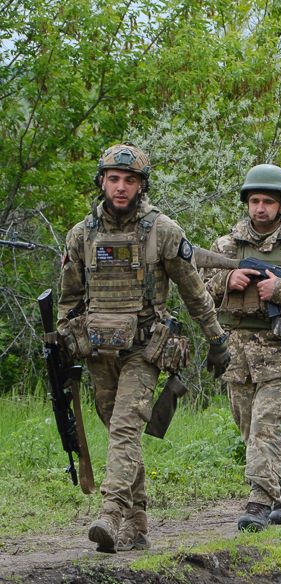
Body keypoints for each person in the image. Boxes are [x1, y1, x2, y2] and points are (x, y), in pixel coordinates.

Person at [58, 143, 229, 553]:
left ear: (141, 185)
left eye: (129, 180)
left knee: (124, 428)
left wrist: (217, 339)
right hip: (99, 351)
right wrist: (65, 336)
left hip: (144, 349)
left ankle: (112, 513)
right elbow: (69, 297)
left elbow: (193, 292)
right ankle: (138, 521)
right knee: (118, 430)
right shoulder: (81, 235)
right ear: (101, 181)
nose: (120, 187)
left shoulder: (162, 231)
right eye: (113, 179)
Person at [204, 164, 281, 531]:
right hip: (238, 355)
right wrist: (229, 279)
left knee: (264, 427)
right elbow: (198, 290)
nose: (260, 208)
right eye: (255, 201)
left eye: (268, 202)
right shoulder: (225, 246)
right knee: (252, 432)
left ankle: (258, 502)